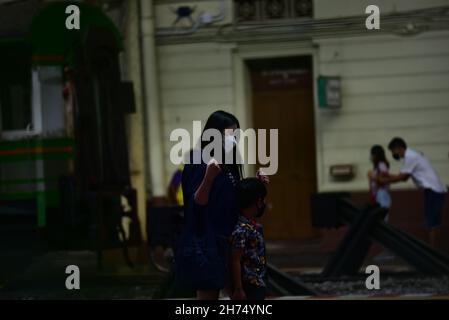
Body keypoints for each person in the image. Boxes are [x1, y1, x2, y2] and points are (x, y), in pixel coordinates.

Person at [176, 110, 268, 300]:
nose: (232, 140)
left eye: (235, 136)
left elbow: (234, 198)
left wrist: (258, 186)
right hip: (208, 241)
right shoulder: (198, 159)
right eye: (228, 136)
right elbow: (197, 202)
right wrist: (208, 178)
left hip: (230, 239)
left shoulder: (228, 161)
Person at [378, 137, 447, 248]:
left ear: (399, 148)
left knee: (433, 223)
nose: (393, 154)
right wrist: (387, 176)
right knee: (431, 222)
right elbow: (404, 176)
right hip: (433, 190)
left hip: (434, 190)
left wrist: (383, 180)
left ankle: (434, 251)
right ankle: (433, 249)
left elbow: (402, 178)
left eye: (393, 151)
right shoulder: (411, 156)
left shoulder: (411, 157)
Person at [230, 178, 268, 300]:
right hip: (249, 285)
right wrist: (238, 289)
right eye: (262, 199)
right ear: (258, 201)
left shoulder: (251, 225)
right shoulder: (241, 229)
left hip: (258, 281)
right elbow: (235, 260)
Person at [368, 145, 392, 215]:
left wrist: (372, 177)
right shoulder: (377, 167)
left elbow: (384, 179)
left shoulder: (381, 165)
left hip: (382, 193)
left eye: (372, 154)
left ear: (376, 155)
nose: (371, 157)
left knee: (382, 215)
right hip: (377, 194)